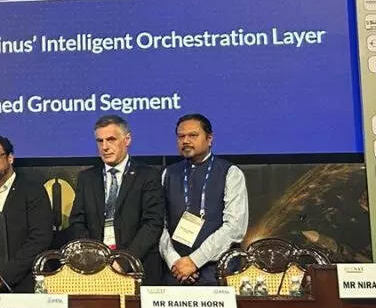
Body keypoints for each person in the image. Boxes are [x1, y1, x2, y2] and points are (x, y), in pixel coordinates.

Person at [67, 115, 165, 283]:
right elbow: (77, 222)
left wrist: (124, 261)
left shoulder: (147, 176)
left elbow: (152, 223)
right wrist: (94, 258)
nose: (105, 147)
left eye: (111, 139)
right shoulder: (87, 178)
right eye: (100, 141)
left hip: (138, 267)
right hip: (95, 269)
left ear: (127, 140)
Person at [158, 113, 248, 286]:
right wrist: (174, 261)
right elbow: (158, 224)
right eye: (181, 136)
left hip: (217, 272)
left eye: (193, 135)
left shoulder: (230, 172)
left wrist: (195, 261)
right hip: (175, 272)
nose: (185, 141)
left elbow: (235, 227)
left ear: (209, 139)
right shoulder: (168, 173)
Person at [0, 134, 53, 292]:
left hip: (25, 284)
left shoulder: (32, 191)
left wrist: (4, 276)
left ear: (10, 158)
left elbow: (40, 238)